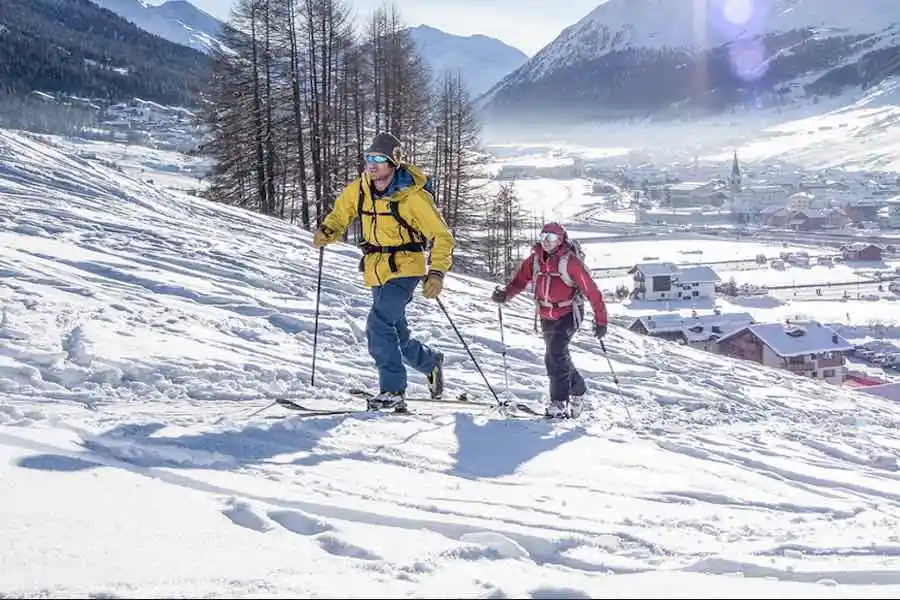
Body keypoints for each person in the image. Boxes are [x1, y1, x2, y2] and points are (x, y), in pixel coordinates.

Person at [313, 132, 454, 412]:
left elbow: (442, 236)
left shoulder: (412, 197)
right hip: (376, 270)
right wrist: (330, 229)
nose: (372, 164)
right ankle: (429, 362)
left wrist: (436, 272)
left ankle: (392, 390)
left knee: (378, 325)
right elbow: (342, 213)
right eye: (369, 158)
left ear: (394, 163)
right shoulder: (360, 188)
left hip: (406, 267)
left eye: (379, 159)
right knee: (395, 333)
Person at [491, 222, 608, 418]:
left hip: (569, 313)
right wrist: (506, 294)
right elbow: (521, 280)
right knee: (558, 355)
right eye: (543, 237)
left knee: (554, 354)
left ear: (560, 240)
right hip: (546, 315)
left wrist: (601, 321)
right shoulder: (536, 259)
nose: (546, 242)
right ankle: (578, 388)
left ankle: (559, 402)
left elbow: (592, 291)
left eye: (551, 238)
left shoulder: (570, 262)